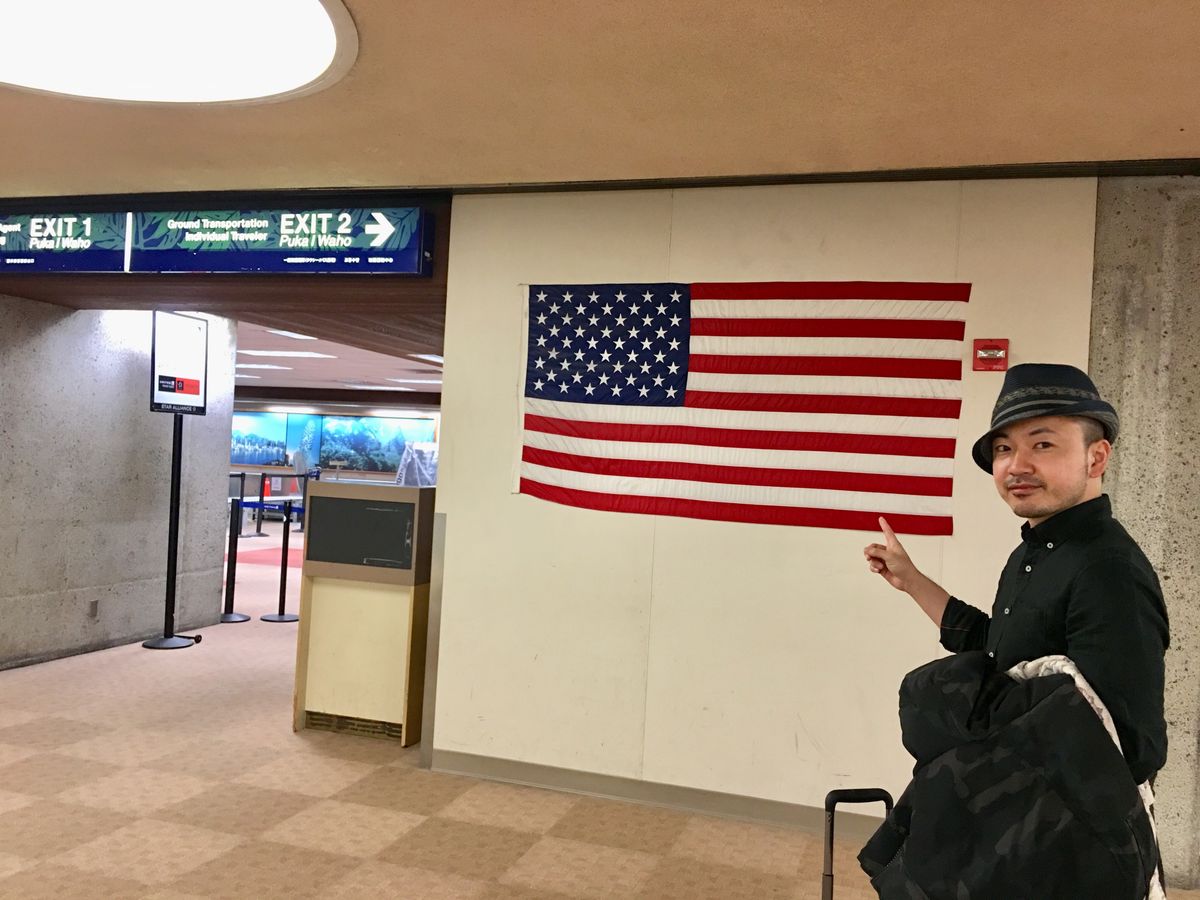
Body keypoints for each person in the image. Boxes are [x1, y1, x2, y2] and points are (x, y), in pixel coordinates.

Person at [864, 363, 1170, 786]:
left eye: (1042, 444)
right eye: (1004, 449)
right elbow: (997, 650)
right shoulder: (1031, 552)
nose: (1015, 465)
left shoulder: (1107, 570)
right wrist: (912, 581)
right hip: (1008, 797)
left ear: (1096, 457)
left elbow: (1133, 748)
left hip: (1061, 817)